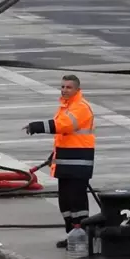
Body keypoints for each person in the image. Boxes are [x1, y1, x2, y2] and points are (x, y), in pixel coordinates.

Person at [23, 75, 95, 249]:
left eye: (68, 87)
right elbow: (64, 137)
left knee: (77, 201)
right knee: (66, 202)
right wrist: (53, 156)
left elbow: (64, 126)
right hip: (66, 161)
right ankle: (72, 235)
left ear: (77, 89)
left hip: (78, 162)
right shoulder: (66, 107)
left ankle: (82, 235)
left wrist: (37, 126)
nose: (64, 90)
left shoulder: (80, 107)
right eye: (62, 87)